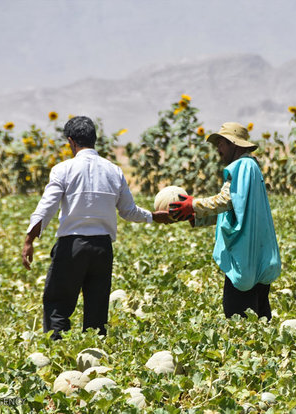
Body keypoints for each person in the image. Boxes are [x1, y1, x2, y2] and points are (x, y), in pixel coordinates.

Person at [21, 116, 172, 340]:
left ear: (71, 141)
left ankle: (57, 358)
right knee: (97, 313)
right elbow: (128, 211)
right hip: (102, 249)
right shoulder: (114, 171)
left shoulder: (63, 169)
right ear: (95, 140)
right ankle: (95, 361)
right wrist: (153, 217)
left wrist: (29, 240)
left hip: (71, 247)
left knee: (57, 307)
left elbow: (46, 208)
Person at [170, 122, 281, 320]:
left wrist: (193, 205)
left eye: (221, 144)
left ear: (234, 144)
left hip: (243, 260)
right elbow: (232, 210)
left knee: (238, 318)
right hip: (257, 261)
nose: (218, 149)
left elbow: (225, 200)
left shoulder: (242, 166)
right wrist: (195, 218)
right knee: (260, 319)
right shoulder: (251, 167)